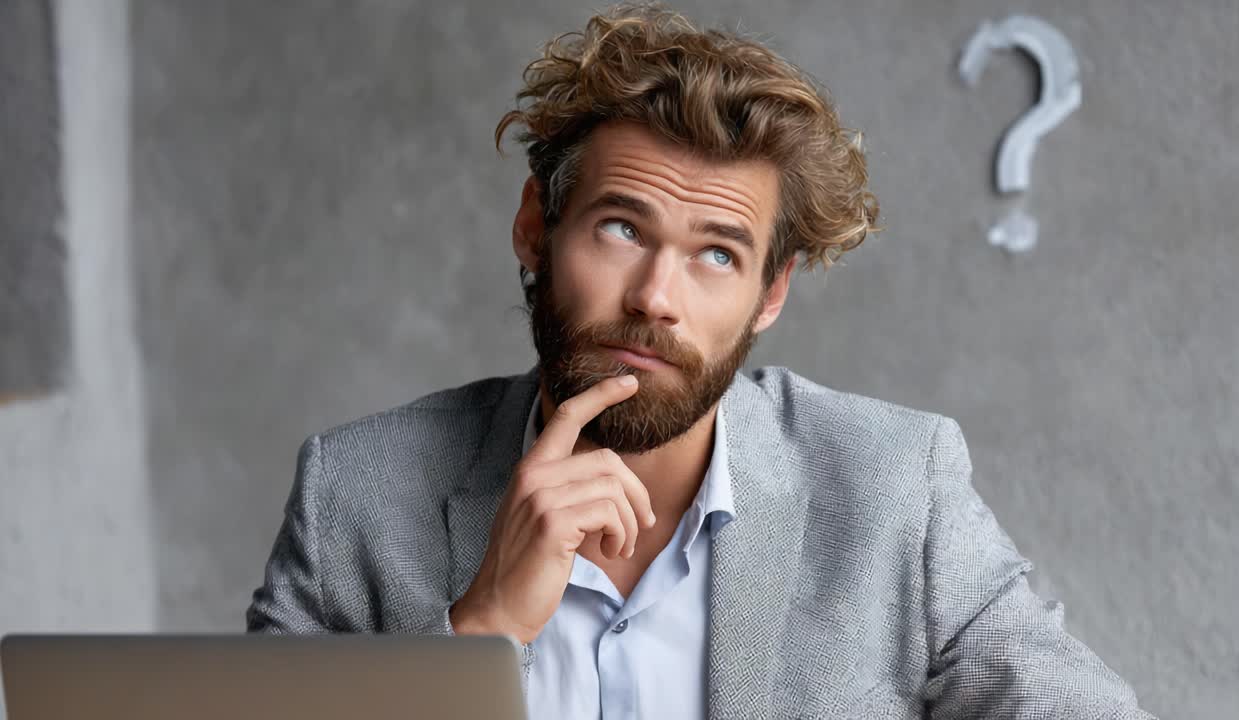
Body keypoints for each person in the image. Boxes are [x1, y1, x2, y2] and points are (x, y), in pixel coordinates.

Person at [246, 4, 1155, 718]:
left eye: (716, 253)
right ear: (536, 227)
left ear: (771, 291)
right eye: (619, 227)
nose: (654, 297)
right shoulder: (357, 497)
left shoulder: (895, 494)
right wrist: (479, 633)